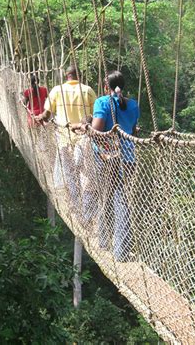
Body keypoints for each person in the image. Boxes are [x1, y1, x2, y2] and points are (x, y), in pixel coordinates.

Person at [91, 70, 139, 262]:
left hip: (107, 157)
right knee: (122, 199)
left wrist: (86, 126)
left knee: (106, 198)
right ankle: (122, 250)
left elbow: (96, 131)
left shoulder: (102, 102)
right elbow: (133, 130)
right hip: (128, 157)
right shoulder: (134, 104)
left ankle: (104, 241)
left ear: (106, 86)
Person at [36, 65, 96, 216]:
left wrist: (39, 118)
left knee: (69, 175)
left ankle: (76, 209)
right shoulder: (87, 90)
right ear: (79, 76)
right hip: (83, 139)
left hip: (63, 139)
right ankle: (87, 212)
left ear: (66, 76)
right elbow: (94, 115)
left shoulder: (57, 90)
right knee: (85, 174)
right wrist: (85, 122)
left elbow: (47, 114)